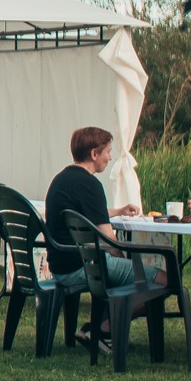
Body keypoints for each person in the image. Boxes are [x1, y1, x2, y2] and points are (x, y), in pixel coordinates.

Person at [44, 128, 145, 342]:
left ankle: (98, 329)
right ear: (94, 154)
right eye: (108, 152)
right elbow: (109, 240)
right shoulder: (91, 185)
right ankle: (102, 331)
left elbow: (83, 213)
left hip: (60, 266)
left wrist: (119, 211)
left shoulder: (60, 180)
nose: (110, 157)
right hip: (82, 267)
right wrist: (122, 261)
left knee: (129, 275)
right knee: (160, 280)